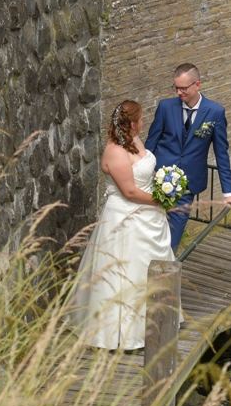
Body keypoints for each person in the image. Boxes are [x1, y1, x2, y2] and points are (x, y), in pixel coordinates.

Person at [64, 100, 180, 350]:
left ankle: (156, 322)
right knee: (127, 271)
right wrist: (162, 200)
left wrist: (165, 187)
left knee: (149, 267)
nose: (143, 122)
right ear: (132, 124)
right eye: (141, 119)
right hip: (126, 218)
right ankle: (124, 334)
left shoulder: (134, 140)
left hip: (149, 217)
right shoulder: (115, 151)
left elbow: (145, 173)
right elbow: (129, 191)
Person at [145, 64, 231, 252]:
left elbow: (221, 153)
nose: (179, 92)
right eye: (176, 87)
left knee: (174, 236)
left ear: (197, 84)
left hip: (188, 184)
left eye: (183, 88)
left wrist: (228, 192)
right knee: (150, 231)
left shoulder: (215, 112)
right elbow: (150, 144)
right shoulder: (165, 107)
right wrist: (143, 173)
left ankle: (165, 267)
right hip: (157, 181)